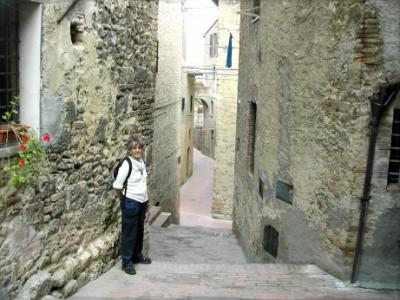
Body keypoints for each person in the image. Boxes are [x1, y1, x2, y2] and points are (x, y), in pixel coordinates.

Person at [113, 136, 151, 275]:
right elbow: (117, 185)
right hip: (130, 202)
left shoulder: (141, 162)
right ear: (130, 150)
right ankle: (127, 263)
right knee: (129, 233)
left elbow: (142, 183)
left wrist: (146, 201)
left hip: (142, 202)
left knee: (139, 230)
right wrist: (123, 200)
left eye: (139, 147)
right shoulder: (126, 164)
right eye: (134, 148)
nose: (137, 150)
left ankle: (137, 256)